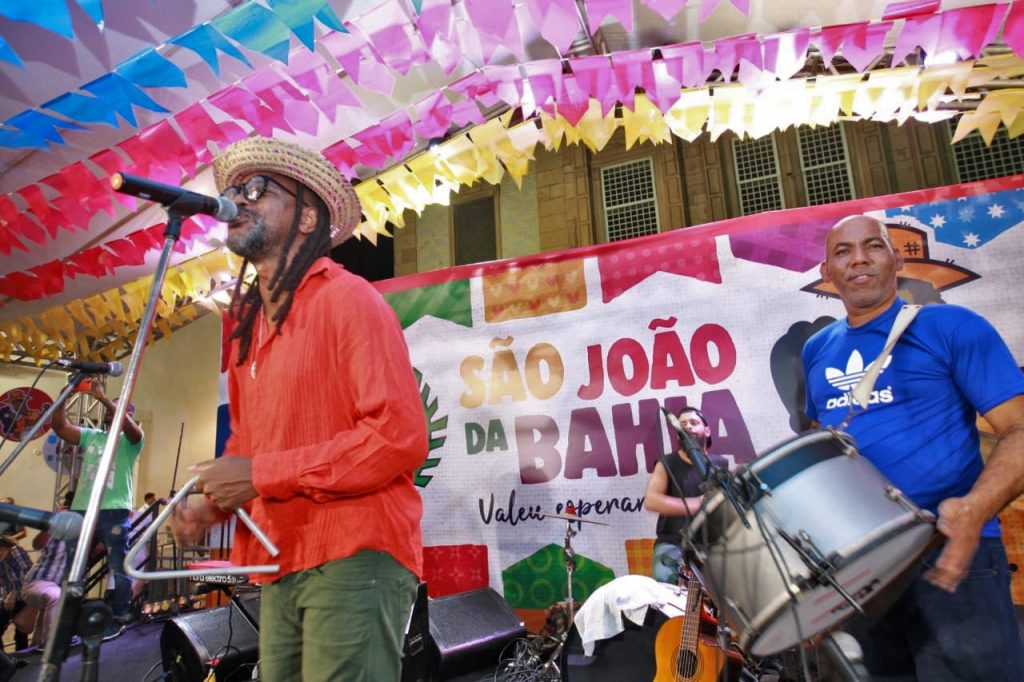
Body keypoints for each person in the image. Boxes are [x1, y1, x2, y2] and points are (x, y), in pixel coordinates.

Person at [171, 136, 428, 682]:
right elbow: (249, 449)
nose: (239, 199)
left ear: (308, 217)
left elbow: (398, 438)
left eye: (259, 189)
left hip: (353, 551)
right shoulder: (247, 327)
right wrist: (210, 504)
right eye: (234, 190)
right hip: (279, 559)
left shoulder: (349, 300)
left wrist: (259, 473)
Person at [802, 214, 1024, 680]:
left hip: (952, 556)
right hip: (864, 575)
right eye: (843, 251)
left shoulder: (952, 326)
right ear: (827, 272)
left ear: (897, 259)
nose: (858, 258)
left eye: (873, 246)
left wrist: (973, 510)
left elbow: (1019, 429)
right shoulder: (816, 349)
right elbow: (821, 458)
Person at [51, 381, 144, 638]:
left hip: (114, 511)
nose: (111, 413)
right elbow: (60, 427)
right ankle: (69, 622)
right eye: (109, 410)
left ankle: (117, 618)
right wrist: (64, 395)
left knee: (118, 567)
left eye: (119, 410)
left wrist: (103, 399)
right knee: (74, 569)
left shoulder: (131, 441)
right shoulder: (92, 436)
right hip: (83, 509)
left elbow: (130, 429)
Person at [644, 407, 729, 585]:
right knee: (666, 594)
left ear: (707, 430)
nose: (688, 427)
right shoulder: (667, 463)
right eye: (682, 424)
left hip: (709, 545)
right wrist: (697, 504)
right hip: (673, 544)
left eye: (693, 422)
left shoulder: (719, 464)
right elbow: (651, 500)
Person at [21, 534, 69, 648]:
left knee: (45, 615)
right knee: (56, 597)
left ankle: (36, 647)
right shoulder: (60, 530)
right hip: (38, 581)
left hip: (55, 586)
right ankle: (50, 645)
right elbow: (37, 543)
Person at [0, 536, 31, 651]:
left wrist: (13, 593)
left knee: (21, 632)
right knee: (19, 633)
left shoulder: (15, 551)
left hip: (22, 597)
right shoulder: (2, 559)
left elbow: (28, 576)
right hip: (9, 599)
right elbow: (4, 581)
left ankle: (20, 657)